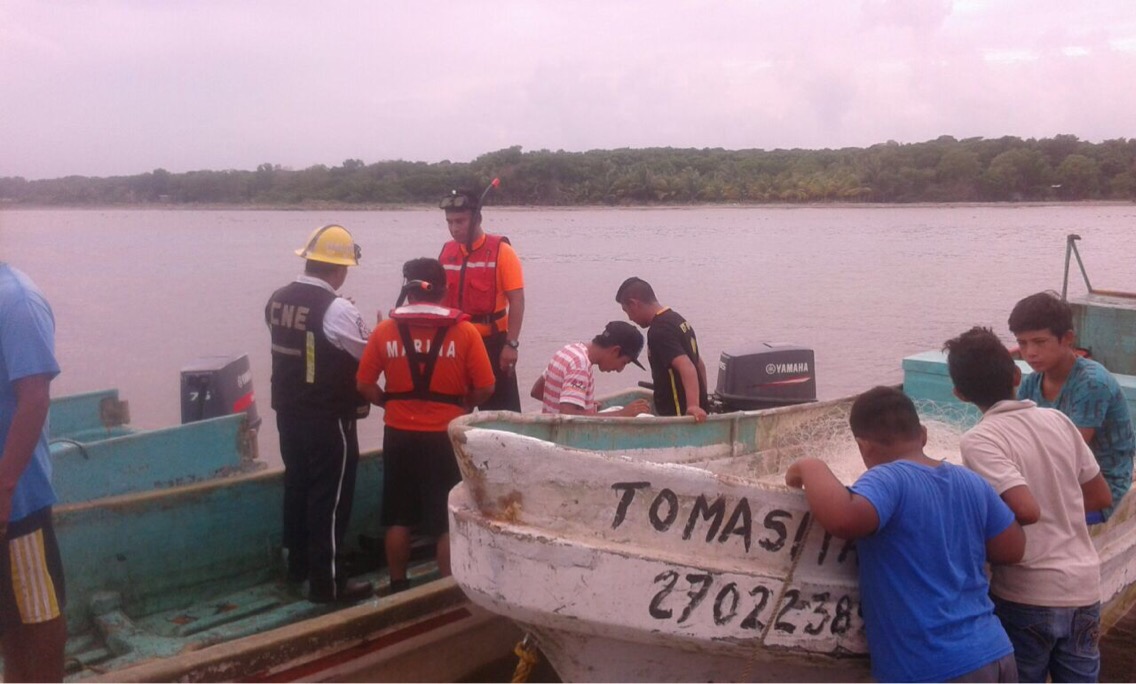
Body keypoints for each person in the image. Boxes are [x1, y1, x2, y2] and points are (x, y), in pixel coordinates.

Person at [786, 386, 1024, 683]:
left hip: (933, 666)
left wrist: (810, 465)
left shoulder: (889, 478)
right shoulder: (971, 481)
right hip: (995, 651)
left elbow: (843, 520)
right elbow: (1013, 549)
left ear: (864, 447)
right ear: (923, 435)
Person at [945, 326, 1110, 683]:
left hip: (1028, 594)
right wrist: (1059, 504)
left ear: (958, 394)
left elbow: (1023, 508)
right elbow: (1099, 496)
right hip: (1084, 588)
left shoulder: (980, 439)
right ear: (1018, 375)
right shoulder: (1058, 420)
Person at [356, 258, 495, 593]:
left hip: (399, 434)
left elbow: (364, 384)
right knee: (446, 517)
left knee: (398, 515)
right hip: (443, 437)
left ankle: (397, 583)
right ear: (444, 290)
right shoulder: (465, 333)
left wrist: (388, 403)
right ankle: (447, 588)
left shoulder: (384, 331)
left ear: (407, 289)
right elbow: (487, 387)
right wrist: (464, 404)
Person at [265, 225, 373, 604]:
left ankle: (296, 567)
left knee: (297, 488)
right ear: (339, 270)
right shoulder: (339, 309)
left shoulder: (277, 300)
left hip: (288, 415)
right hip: (328, 420)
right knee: (329, 500)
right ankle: (327, 585)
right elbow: (369, 355)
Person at [1009, 290, 1135, 521]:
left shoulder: (1091, 383)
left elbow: (1068, 454)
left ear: (1067, 338)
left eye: (1039, 342)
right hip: (1061, 480)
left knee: (1019, 520)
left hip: (1102, 487)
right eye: (1022, 343)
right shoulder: (1033, 383)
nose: (1030, 353)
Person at [0, 264, 67, 682]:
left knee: (38, 617)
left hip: (16, 500)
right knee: (9, 612)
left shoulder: (17, 302)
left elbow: (35, 398)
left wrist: (5, 485)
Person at [438, 188, 524, 411]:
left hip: (493, 345)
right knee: (453, 411)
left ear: (477, 219)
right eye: (449, 222)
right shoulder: (446, 251)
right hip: (455, 346)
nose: (454, 228)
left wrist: (511, 345)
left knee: (503, 416)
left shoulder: (501, 252)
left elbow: (517, 300)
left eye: (460, 221)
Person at [615, 276, 709, 422]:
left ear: (634, 304)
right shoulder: (678, 320)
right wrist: (703, 402)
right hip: (692, 412)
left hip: (678, 415)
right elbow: (699, 364)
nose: (630, 318)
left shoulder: (659, 331)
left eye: (627, 311)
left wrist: (693, 406)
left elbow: (687, 366)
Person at [530, 321, 652, 416]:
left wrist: (580, 404)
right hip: (566, 439)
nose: (620, 369)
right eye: (624, 362)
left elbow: (537, 390)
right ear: (615, 351)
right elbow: (568, 416)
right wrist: (621, 414)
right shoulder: (580, 365)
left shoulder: (569, 350)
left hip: (552, 430)